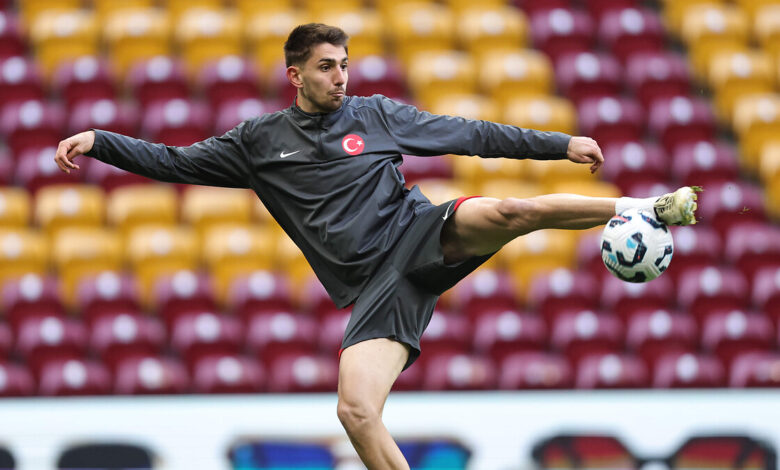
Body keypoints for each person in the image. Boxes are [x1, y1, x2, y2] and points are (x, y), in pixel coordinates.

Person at [55, 23, 699, 469]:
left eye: (344, 65)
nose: (340, 77)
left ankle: (642, 207)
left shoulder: (375, 115)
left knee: (512, 210)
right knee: (356, 412)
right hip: (376, 286)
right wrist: (101, 141)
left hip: (417, 233)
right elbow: (174, 161)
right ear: (294, 75)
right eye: (326, 67)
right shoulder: (257, 143)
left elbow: (469, 133)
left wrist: (560, 144)